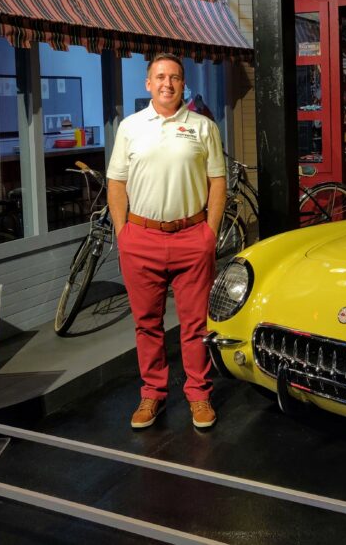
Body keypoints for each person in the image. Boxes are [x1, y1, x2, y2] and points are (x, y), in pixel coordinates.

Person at [106, 53, 226, 430]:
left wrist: (209, 233)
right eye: (160, 77)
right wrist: (123, 233)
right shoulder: (130, 127)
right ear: (148, 83)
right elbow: (117, 183)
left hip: (193, 237)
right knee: (146, 323)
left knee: (195, 325)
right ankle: (152, 393)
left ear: (182, 83)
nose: (167, 84)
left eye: (174, 77)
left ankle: (199, 395)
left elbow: (217, 183)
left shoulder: (204, 127)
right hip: (140, 238)